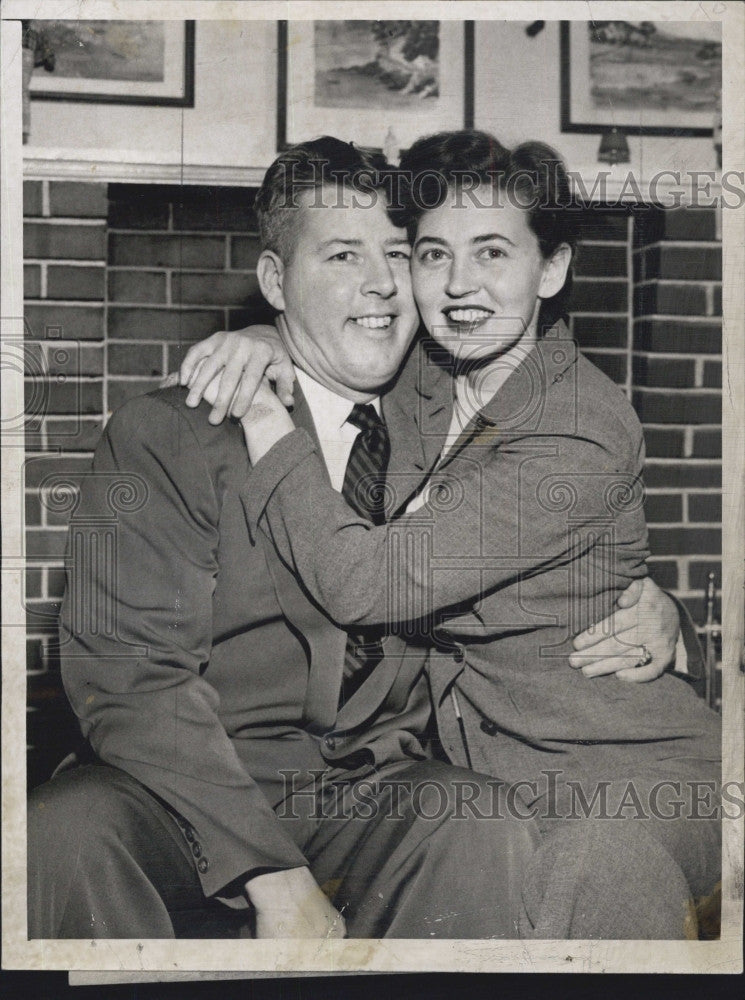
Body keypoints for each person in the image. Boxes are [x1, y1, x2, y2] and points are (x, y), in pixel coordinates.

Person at [28, 137, 682, 942]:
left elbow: (555, 534)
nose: (380, 285)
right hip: (190, 793)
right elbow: (129, 680)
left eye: (400, 255)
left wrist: (669, 616)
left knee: (480, 824)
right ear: (275, 281)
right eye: (342, 255)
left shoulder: (452, 413)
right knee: (65, 829)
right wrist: (273, 877)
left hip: (370, 790)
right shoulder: (161, 435)